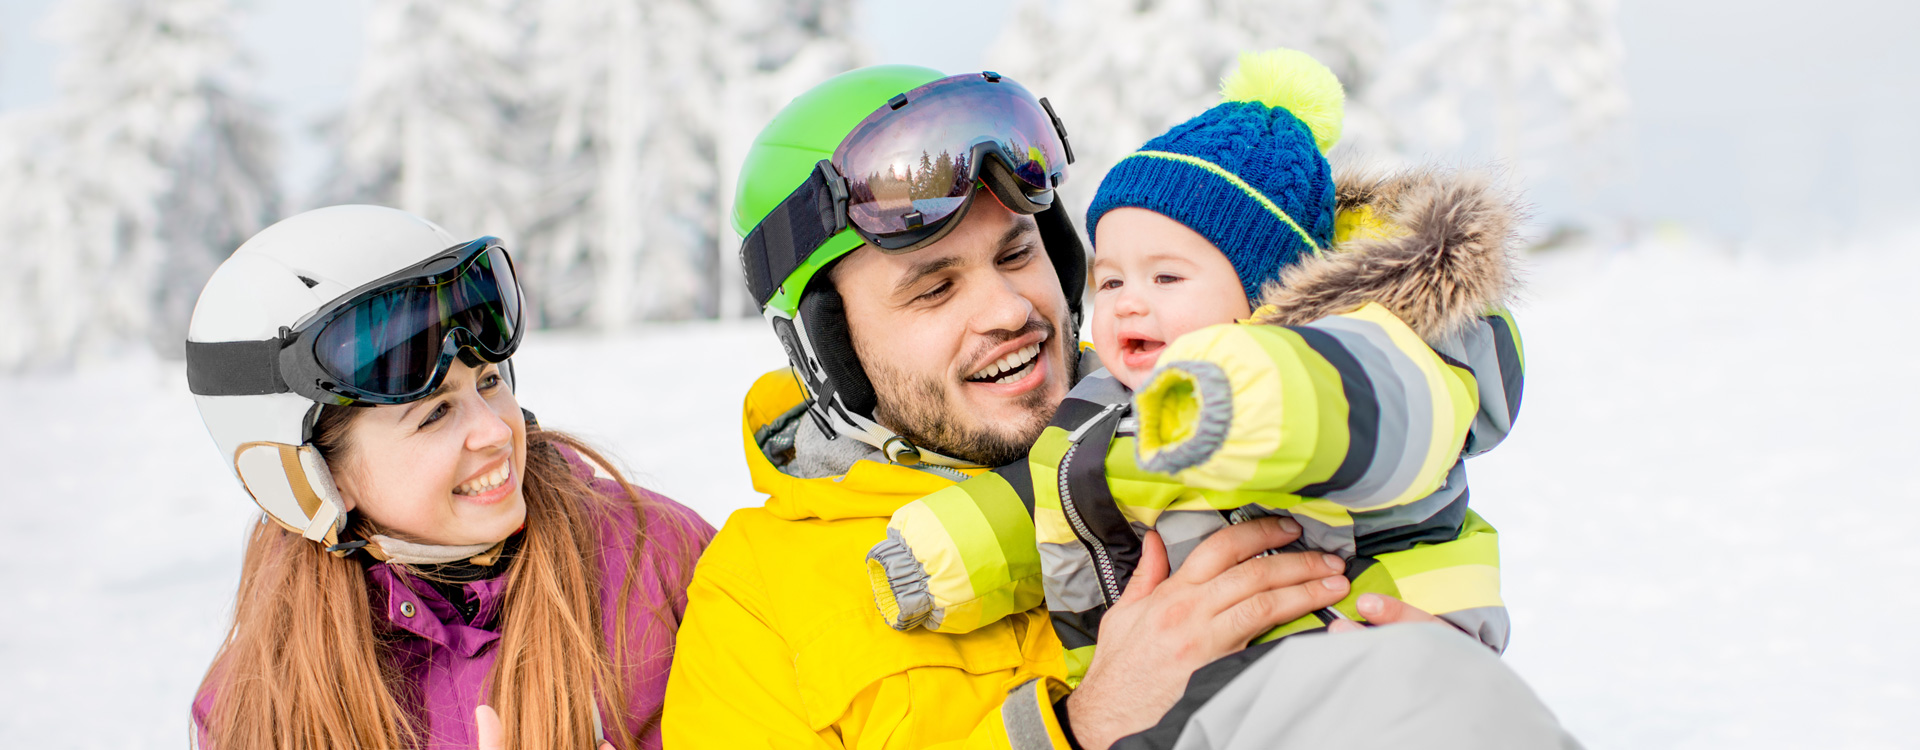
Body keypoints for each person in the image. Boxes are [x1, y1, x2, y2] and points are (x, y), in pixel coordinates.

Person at [666, 65, 1575, 749]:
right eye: (933, 289)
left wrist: (1408, 671)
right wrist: (1082, 722)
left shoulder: (1201, 422)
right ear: (832, 349)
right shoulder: (759, 599)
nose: (1010, 311)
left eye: (1019, 254)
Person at [863, 49, 1523, 680]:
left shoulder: (1376, 356)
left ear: (1272, 292)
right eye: (1113, 281)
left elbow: (1359, 409)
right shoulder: (1106, 407)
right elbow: (1049, 491)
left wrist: (1246, 395)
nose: (1127, 306)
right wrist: (943, 556)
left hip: (1363, 654)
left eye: (1167, 278)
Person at [182, 205, 712, 750]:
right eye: (434, 414)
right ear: (318, 476)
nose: (494, 433)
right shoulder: (262, 706)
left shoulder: (657, 562)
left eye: (486, 383)